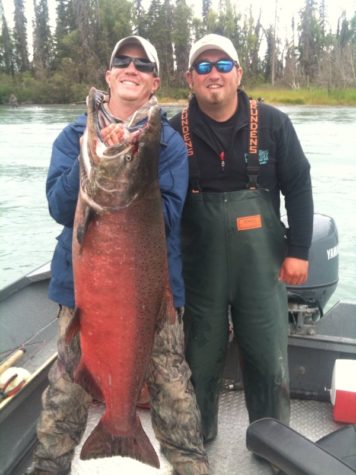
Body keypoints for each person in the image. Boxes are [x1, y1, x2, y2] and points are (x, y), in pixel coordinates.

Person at [25, 36, 208, 475]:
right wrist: (93, 159)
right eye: (122, 62)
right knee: (66, 386)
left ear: (154, 83)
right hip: (82, 286)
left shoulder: (168, 145)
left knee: (173, 387)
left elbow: (166, 214)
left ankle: (188, 463)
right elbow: (57, 206)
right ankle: (49, 464)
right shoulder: (74, 136)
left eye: (142, 65)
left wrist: (126, 165)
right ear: (109, 76)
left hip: (152, 291)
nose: (131, 68)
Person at [170, 34, 314, 442]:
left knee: (268, 357)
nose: (212, 73)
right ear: (190, 78)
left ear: (239, 73)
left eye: (221, 65)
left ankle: (272, 442)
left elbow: (299, 186)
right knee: (198, 356)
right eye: (202, 67)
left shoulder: (272, 123)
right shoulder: (170, 131)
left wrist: (299, 251)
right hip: (200, 271)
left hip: (262, 268)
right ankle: (197, 439)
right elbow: (157, 204)